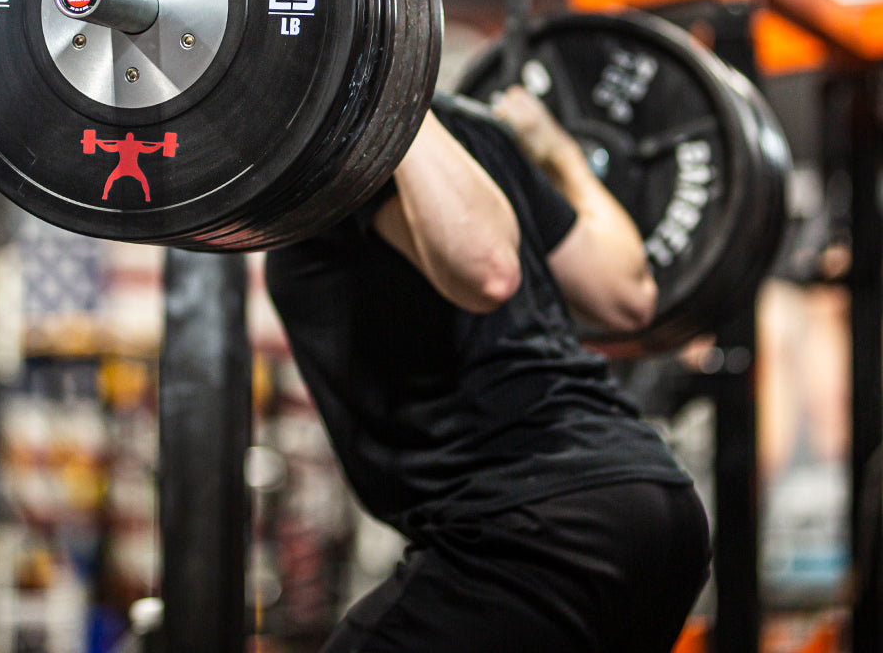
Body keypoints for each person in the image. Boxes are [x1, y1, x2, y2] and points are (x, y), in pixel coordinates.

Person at [265, 84, 712, 653]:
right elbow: (627, 296)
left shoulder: (357, 148)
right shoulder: (476, 136)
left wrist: (383, 81)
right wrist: (560, 156)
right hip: (646, 502)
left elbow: (497, 272)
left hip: (532, 523)